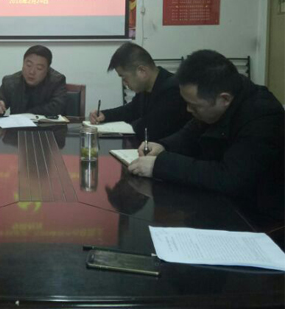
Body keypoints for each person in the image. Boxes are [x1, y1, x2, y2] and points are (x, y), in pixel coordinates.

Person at [128, 50, 285, 212]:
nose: (188, 110)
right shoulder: (219, 98)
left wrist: (160, 165)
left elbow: (230, 178)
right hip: (221, 202)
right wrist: (164, 146)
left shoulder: (263, 116)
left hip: (258, 214)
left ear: (224, 99)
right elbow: (191, 133)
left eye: (194, 106)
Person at [88, 42, 188, 142]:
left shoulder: (173, 90)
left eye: (124, 77)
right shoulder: (146, 87)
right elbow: (131, 110)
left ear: (142, 71)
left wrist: (132, 124)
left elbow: (149, 128)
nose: (124, 83)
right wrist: (105, 115)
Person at [0, 44, 67, 117]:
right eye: (28, 65)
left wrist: (25, 114)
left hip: (48, 130)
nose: (32, 72)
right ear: (23, 64)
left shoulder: (57, 81)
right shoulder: (11, 81)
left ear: (47, 70)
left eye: (39, 68)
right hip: (17, 130)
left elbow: (57, 108)